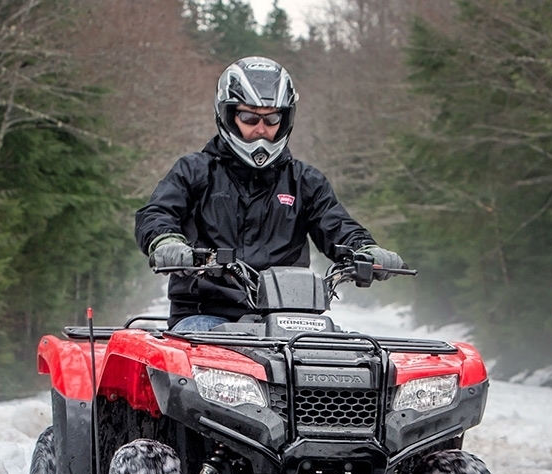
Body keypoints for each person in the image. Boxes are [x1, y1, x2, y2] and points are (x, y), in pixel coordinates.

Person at [135, 56, 404, 332]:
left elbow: (336, 226)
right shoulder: (195, 171)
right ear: (228, 114)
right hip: (207, 313)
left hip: (291, 317)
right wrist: (167, 242)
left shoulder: (304, 181)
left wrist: (364, 250)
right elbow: (157, 213)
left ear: (285, 119)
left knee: (347, 360)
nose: (261, 128)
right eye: (249, 117)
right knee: (194, 353)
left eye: (272, 118)